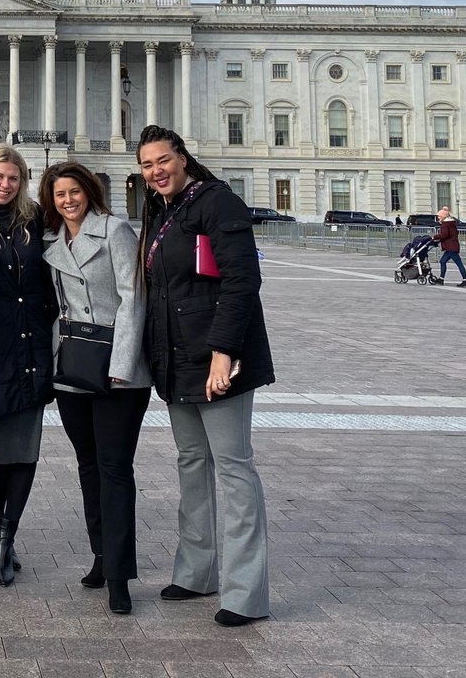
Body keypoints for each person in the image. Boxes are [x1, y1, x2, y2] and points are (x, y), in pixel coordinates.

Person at [136, 124, 274, 628]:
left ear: (183, 157)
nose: (156, 171)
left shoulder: (218, 203)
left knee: (235, 469)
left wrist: (224, 351)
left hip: (218, 361)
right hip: (176, 359)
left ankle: (245, 593)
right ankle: (196, 572)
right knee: (192, 463)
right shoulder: (163, 211)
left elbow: (243, 280)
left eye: (163, 160)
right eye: (147, 165)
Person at [39, 161, 151, 616]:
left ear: (89, 191)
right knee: (88, 465)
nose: (68, 199)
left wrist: (121, 365)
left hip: (115, 370)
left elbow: (134, 298)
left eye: (74, 191)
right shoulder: (51, 241)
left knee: (114, 468)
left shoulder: (116, 231)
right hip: (73, 368)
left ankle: (121, 576)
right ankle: (101, 557)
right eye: (59, 194)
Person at [0, 146, 56, 586]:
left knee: (27, 448)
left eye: (14, 178)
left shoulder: (36, 220)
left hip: (33, 345)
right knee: (2, 452)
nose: (5, 185)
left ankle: (6, 534)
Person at [434, 207, 466, 287]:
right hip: (453, 246)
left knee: (455, 263)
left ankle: (465, 280)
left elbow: (445, 235)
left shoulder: (445, 224)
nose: (438, 218)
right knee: (444, 262)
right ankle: (441, 278)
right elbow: (451, 235)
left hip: (450, 247)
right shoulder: (452, 223)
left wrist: (434, 237)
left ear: (443, 216)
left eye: (439, 216)